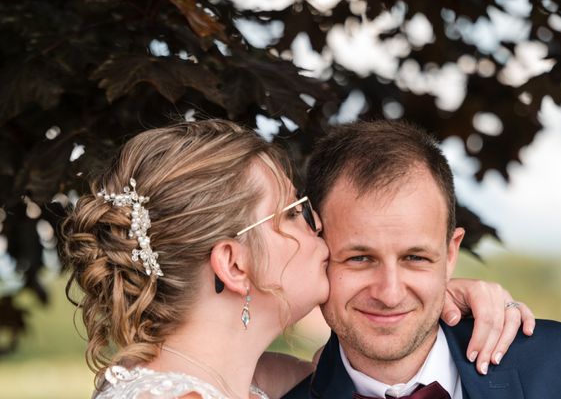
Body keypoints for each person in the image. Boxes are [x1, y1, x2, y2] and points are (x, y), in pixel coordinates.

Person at [62, 119, 533, 399]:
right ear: (235, 265)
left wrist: (436, 298)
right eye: (289, 215)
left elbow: (358, 367)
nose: (317, 232)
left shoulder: (248, 380)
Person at [283, 120, 561, 399]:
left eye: (415, 258)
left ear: (451, 253)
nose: (389, 293)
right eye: (360, 258)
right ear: (319, 249)